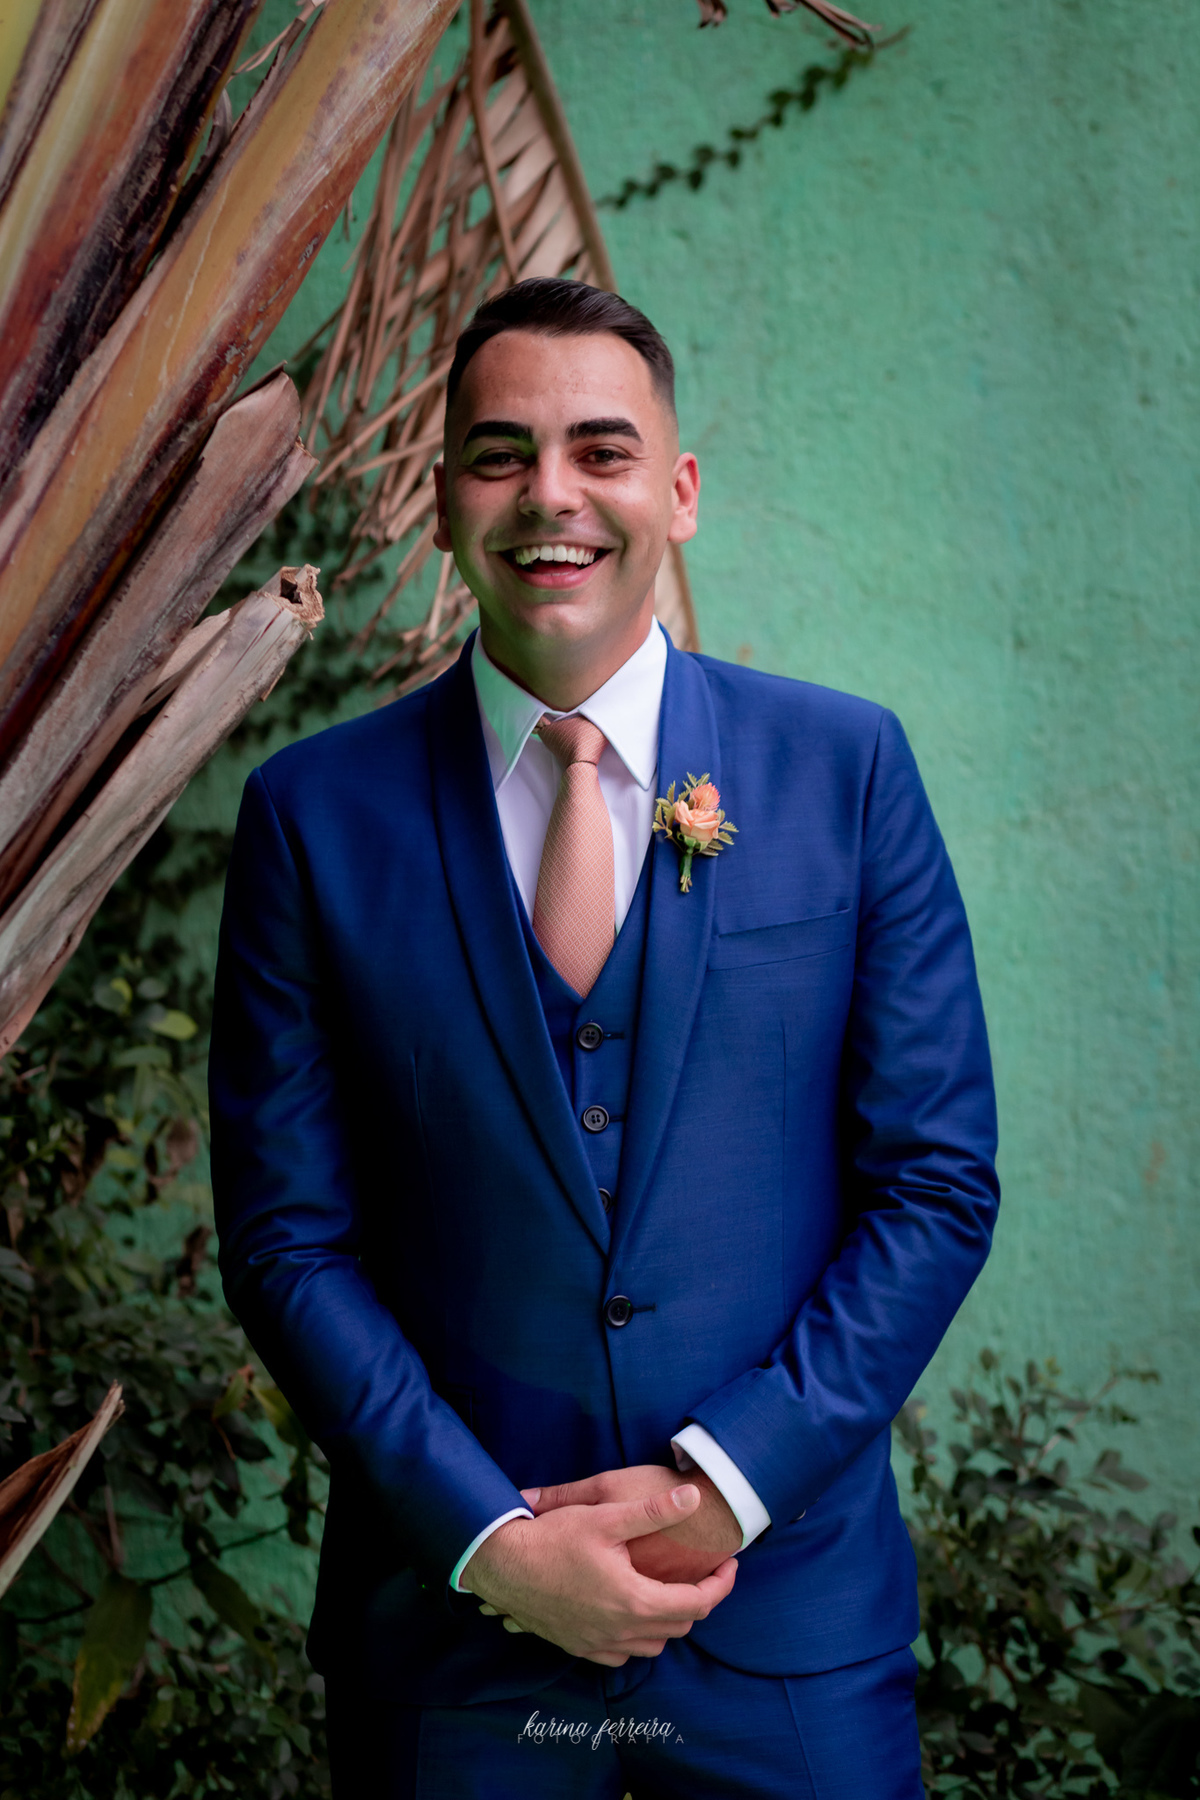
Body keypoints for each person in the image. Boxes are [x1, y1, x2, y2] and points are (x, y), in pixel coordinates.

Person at [210, 277, 999, 1797]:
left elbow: (936, 1184)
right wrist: (490, 1540)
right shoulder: (313, 819)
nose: (550, 495)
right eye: (500, 454)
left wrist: (730, 1483)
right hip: (455, 1643)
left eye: (602, 450)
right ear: (445, 500)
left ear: (677, 493)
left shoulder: (844, 770)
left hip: (784, 1624)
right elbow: (288, 1242)